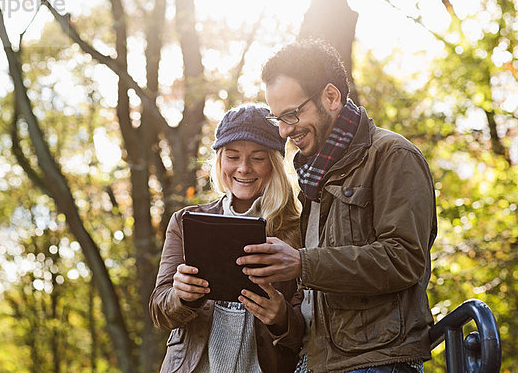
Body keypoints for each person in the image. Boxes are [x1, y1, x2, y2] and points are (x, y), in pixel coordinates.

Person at [236, 39, 438, 373]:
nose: (285, 131)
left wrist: (302, 263)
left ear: (331, 97)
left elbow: (404, 258)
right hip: (318, 361)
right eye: (278, 119)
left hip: (375, 363)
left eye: (292, 114)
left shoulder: (391, 156)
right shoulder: (313, 176)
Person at [149, 103, 305, 373]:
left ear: (275, 163)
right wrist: (182, 296)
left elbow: (311, 331)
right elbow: (159, 310)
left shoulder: (297, 230)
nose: (243, 168)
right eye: (232, 156)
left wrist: (282, 318)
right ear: (220, 161)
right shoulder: (185, 222)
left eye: (258, 158)